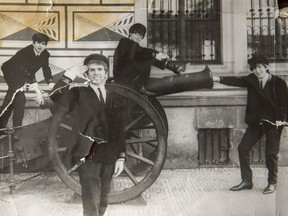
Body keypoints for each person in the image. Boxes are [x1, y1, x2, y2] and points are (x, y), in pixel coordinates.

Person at [49, 54, 126, 216]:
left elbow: (119, 129)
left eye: (99, 70)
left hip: (109, 154)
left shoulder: (114, 98)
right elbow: (54, 96)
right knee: (91, 201)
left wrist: (121, 157)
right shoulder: (78, 93)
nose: (96, 73)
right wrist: (68, 76)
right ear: (87, 74)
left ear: (106, 73)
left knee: (103, 199)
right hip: (87, 153)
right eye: (91, 70)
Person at [213, 54, 288, 194]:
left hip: (274, 123)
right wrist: (219, 79)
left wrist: (282, 119)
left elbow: (285, 104)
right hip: (257, 122)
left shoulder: (278, 83)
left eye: (259, 67)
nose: (257, 71)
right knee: (243, 148)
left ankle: (272, 183)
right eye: (254, 68)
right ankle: (247, 181)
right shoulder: (252, 80)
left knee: (271, 153)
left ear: (266, 67)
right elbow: (236, 81)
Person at [0, 33, 54, 134]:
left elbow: (46, 69)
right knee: (19, 98)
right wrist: (37, 92)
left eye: (43, 43)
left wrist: (50, 83)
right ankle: (16, 130)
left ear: (46, 45)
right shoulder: (24, 53)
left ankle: (11, 128)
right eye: (38, 42)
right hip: (10, 71)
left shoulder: (45, 54)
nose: (40, 46)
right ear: (33, 43)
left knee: (15, 99)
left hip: (22, 75)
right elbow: (27, 72)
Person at [113, 23, 186, 96]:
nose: (139, 37)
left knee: (149, 56)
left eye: (141, 36)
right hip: (122, 77)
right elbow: (133, 55)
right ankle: (140, 86)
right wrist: (154, 55)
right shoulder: (124, 42)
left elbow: (144, 50)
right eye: (137, 34)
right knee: (148, 58)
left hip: (128, 75)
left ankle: (173, 67)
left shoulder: (135, 46)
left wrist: (158, 54)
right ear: (130, 33)